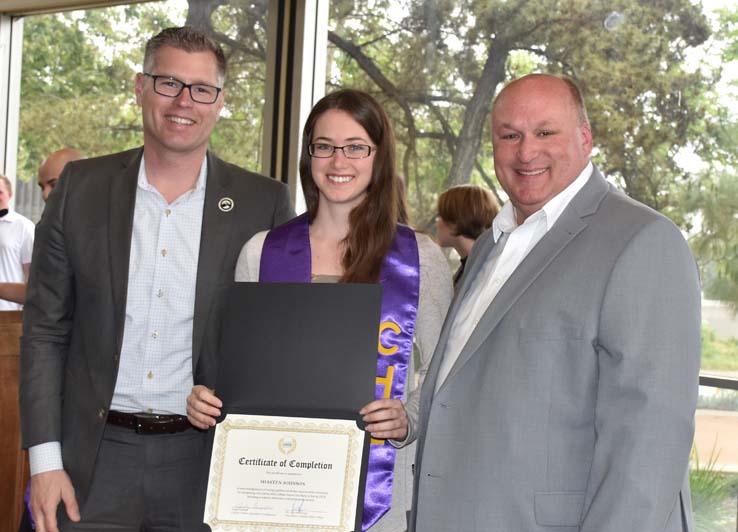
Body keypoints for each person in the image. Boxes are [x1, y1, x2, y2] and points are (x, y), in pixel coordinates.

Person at [19, 26, 294, 532]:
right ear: (140, 86)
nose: (183, 101)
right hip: (89, 463)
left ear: (220, 101)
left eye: (201, 89)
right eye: (168, 83)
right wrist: (44, 461)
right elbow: (44, 331)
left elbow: (272, 342)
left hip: (206, 462)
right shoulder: (80, 188)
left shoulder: (264, 203)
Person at [409, 74, 701, 532]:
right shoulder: (491, 245)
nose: (526, 152)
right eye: (510, 136)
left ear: (585, 137)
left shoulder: (643, 241)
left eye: (546, 132)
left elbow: (650, 444)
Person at [186, 88, 453, 531]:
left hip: (379, 494)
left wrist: (409, 420)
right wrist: (206, 401)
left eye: (355, 147)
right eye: (324, 147)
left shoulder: (420, 259)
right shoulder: (261, 253)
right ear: (309, 156)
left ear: (379, 156)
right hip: (273, 488)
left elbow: (444, 383)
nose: (338, 162)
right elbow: (234, 375)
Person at [0, 148, 85, 307]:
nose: (45, 194)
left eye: (54, 184)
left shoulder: (102, 233)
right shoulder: (48, 230)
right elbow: (41, 292)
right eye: (41, 187)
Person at [435, 184, 499, 286]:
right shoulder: (473, 266)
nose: (437, 222)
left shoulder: (481, 273)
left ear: (456, 221)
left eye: (440, 215)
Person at [0, 175, 34, 311]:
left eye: (0, 192)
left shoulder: (24, 226)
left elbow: (31, 274)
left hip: (7, 310)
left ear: (10, 194)